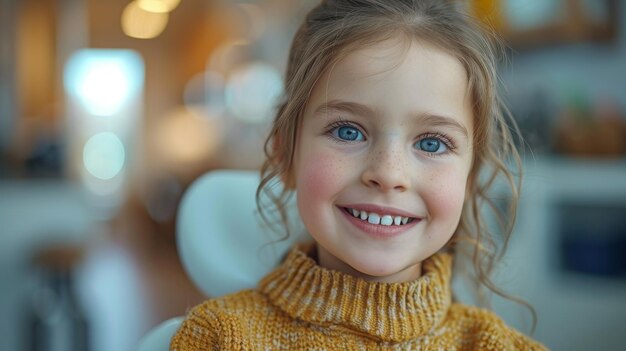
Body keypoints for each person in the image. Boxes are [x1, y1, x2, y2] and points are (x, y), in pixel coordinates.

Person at [171, 0, 548, 349]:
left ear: (470, 176)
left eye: (431, 143)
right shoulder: (217, 337)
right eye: (347, 131)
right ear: (285, 154)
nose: (388, 174)